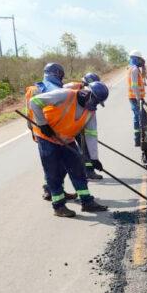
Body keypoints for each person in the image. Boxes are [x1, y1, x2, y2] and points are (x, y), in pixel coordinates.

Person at [29, 82, 110, 217]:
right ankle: (59, 206)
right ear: (87, 93)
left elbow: (91, 135)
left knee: (78, 169)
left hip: (67, 140)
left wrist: (94, 158)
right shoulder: (64, 95)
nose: (94, 104)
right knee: (54, 172)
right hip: (47, 138)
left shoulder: (91, 111)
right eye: (94, 100)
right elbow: (34, 101)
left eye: (98, 102)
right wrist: (43, 124)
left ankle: (87, 202)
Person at [27, 63, 76, 201]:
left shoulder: (33, 89)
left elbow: (28, 114)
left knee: (51, 165)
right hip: (49, 132)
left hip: (39, 131)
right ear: (58, 74)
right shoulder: (55, 90)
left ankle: (51, 190)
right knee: (56, 165)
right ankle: (54, 193)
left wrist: (33, 130)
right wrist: (44, 127)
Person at [65, 72, 103, 180]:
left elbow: (92, 133)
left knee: (85, 147)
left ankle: (89, 171)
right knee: (65, 152)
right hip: (64, 125)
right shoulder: (69, 88)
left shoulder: (91, 104)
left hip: (77, 125)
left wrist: (94, 158)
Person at [128, 50, 146, 147]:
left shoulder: (132, 68)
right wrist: (138, 98)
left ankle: (138, 139)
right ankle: (138, 139)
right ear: (135, 59)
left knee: (138, 117)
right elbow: (134, 85)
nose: (140, 61)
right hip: (135, 98)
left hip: (134, 97)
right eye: (139, 59)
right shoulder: (134, 69)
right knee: (139, 117)